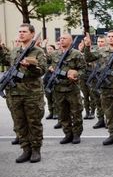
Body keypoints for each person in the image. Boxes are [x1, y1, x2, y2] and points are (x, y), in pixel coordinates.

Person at [0, 24, 47, 163]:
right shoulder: (15, 51)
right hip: (14, 93)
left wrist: (31, 66)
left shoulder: (37, 51)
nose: (21, 34)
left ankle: (36, 150)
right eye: (19, 31)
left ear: (32, 34)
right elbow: (5, 60)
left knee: (34, 123)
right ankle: (25, 149)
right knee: (19, 123)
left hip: (32, 93)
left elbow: (42, 70)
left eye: (24, 32)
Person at [49, 33, 86, 144]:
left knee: (76, 113)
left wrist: (75, 75)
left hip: (72, 88)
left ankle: (76, 134)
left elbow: (83, 70)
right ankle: (67, 134)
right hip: (58, 89)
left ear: (71, 41)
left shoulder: (77, 54)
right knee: (62, 114)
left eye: (64, 38)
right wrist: (50, 68)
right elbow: (45, 64)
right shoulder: (54, 54)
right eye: (60, 38)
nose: (61, 40)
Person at [91, 35, 108, 129]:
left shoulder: (108, 52)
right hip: (95, 78)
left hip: (105, 79)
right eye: (98, 42)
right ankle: (100, 119)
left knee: (105, 101)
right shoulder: (94, 52)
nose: (100, 43)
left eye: (102, 41)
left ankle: (107, 120)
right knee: (97, 100)